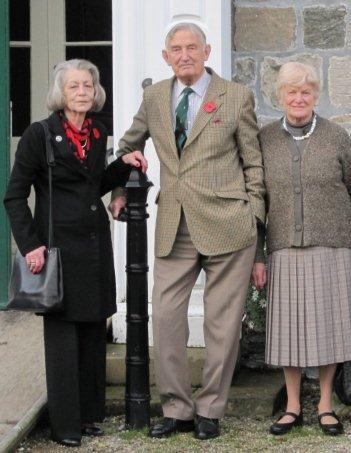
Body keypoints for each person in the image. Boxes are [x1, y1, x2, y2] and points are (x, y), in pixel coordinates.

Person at [110, 22, 265, 440]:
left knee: (222, 323)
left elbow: (254, 163)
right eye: (176, 49)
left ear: (206, 51)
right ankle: (176, 409)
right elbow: (128, 147)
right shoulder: (155, 96)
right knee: (166, 318)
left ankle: (211, 408)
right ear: (166, 56)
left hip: (228, 224)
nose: (184, 55)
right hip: (174, 223)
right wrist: (123, 187)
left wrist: (254, 216)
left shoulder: (236, 97)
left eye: (191, 48)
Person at [3, 59, 146, 447]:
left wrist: (122, 166)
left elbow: (93, 184)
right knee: (64, 339)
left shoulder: (97, 132)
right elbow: (15, 195)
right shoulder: (40, 134)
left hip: (94, 245)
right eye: (74, 87)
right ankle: (65, 426)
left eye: (87, 85)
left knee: (92, 333)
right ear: (61, 93)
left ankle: (88, 417)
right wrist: (30, 244)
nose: (82, 92)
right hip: (57, 250)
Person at [251, 61, 351, 436]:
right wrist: (258, 255)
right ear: (280, 96)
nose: (298, 98)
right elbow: (256, 200)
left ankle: (326, 404)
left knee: (329, 328)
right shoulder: (265, 139)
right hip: (283, 245)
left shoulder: (336, 138)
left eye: (306, 92)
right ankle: (293, 406)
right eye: (291, 92)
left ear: (316, 95)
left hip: (331, 246)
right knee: (288, 330)